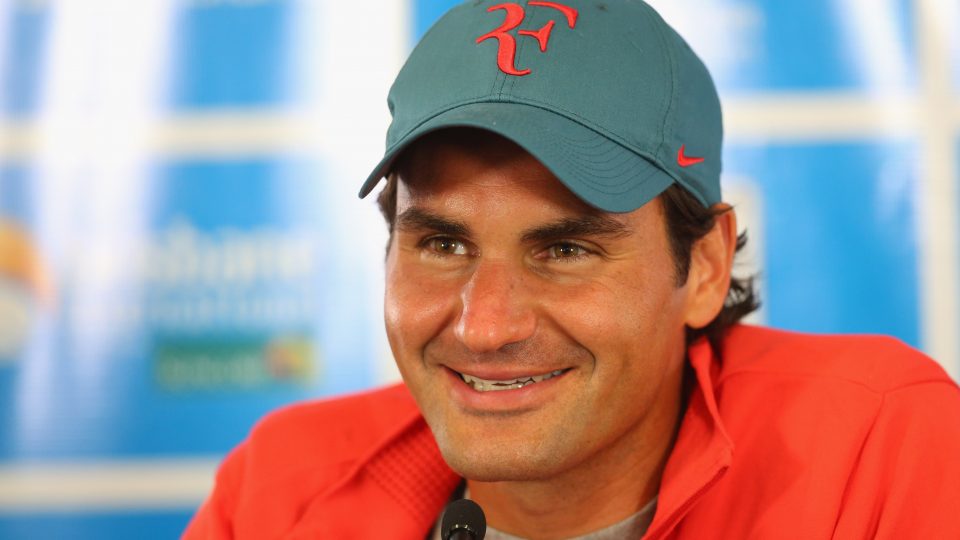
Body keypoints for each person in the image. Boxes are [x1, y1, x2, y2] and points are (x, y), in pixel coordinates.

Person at [184, 1, 960, 538]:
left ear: (704, 267)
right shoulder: (280, 488)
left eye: (564, 250)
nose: (483, 325)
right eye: (444, 244)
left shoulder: (881, 445)